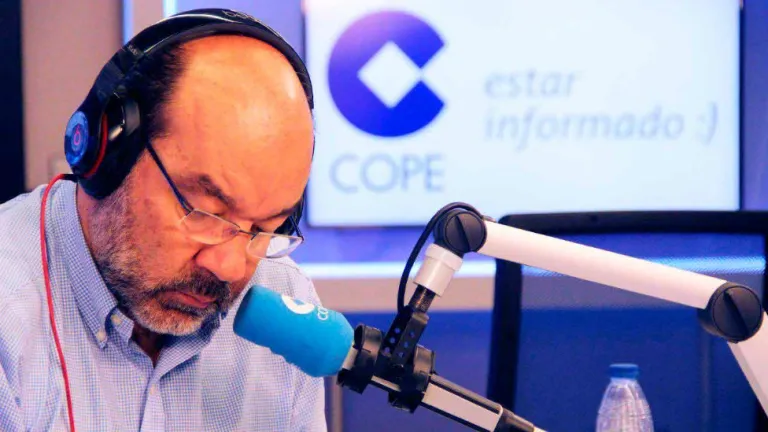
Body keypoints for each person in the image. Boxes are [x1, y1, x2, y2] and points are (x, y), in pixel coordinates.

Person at [0, 9, 326, 431]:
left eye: (264, 229)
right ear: (109, 154)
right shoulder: (9, 315)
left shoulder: (284, 306)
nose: (230, 267)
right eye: (207, 214)